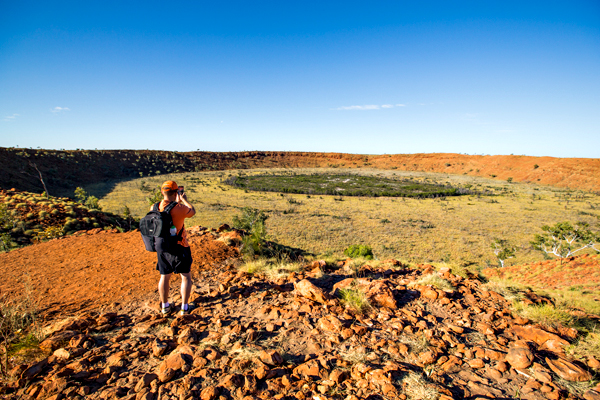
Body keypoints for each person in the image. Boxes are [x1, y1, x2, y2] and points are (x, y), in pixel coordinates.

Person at [154, 180, 196, 316]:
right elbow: (192, 212)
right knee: (185, 277)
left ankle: (165, 307)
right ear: (176, 192)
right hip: (180, 246)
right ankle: (184, 307)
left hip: (162, 247)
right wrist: (184, 200)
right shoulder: (180, 208)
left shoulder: (154, 207)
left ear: (162, 192)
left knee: (164, 276)